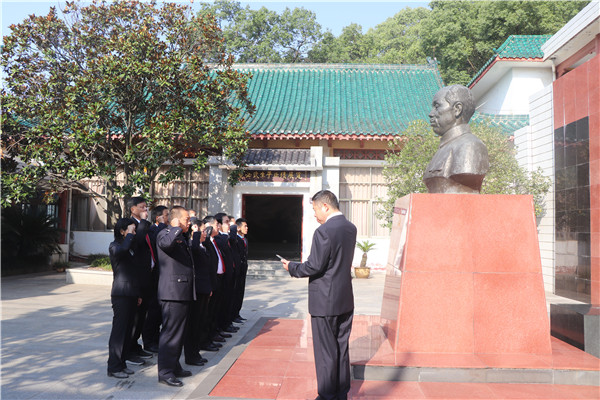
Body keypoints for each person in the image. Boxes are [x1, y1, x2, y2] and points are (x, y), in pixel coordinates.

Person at [280, 190, 357, 400]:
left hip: (325, 300)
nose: (314, 214)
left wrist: (292, 267)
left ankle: (327, 394)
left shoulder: (324, 231)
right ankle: (341, 393)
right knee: (341, 348)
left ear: (325, 206)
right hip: (344, 298)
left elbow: (314, 266)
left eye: (315, 209)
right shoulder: (350, 228)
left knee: (326, 352)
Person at [423, 84, 489, 194]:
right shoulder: (443, 148)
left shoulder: (470, 145)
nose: (431, 114)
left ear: (457, 109)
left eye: (437, 106)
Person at [156, 206, 195, 387]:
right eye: (187, 219)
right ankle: (165, 372)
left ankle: (174, 366)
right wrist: (174, 227)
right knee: (171, 334)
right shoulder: (165, 233)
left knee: (179, 333)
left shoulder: (180, 236)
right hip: (172, 293)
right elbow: (166, 245)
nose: (189, 223)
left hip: (181, 291)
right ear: (177, 220)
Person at [107, 218, 142, 379]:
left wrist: (138, 294)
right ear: (122, 231)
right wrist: (129, 236)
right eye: (131, 230)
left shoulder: (131, 247)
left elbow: (135, 272)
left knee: (128, 331)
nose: (134, 233)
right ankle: (114, 367)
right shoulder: (115, 246)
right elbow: (122, 251)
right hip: (121, 294)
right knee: (119, 332)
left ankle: (122, 363)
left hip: (132, 293)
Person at [125, 197, 154, 365]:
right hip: (137, 277)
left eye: (146, 207)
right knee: (134, 317)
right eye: (142, 207)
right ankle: (128, 350)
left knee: (143, 315)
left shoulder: (145, 225)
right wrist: (143, 222)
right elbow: (138, 242)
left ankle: (136, 345)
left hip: (148, 275)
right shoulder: (130, 225)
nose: (145, 210)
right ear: (133, 209)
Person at [183, 219, 211, 366]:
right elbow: (194, 247)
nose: (205, 233)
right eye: (202, 230)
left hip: (204, 289)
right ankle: (191, 355)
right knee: (193, 324)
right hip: (197, 290)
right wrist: (196, 232)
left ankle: (196, 353)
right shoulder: (193, 246)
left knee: (200, 323)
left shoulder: (202, 246)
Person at [142, 205, 168, 353]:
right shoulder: (152, 230)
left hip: (162, 277)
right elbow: (158, 241)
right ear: (158, 218)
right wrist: (163, 225)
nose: (168, 218)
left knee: (159, 311)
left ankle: (157, 338)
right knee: (152, 311)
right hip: (152, 278)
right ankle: (149, 341)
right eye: (166, 215)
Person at [231, 218, 249, 323]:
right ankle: (233, 314)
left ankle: (237, 313)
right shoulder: (235, 239)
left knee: (240, 292)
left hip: (243, 269)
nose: (247, 228)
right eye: (244, 226)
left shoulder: (244, 239)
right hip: (237, 269)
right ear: (238, 228)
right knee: (235, 293)